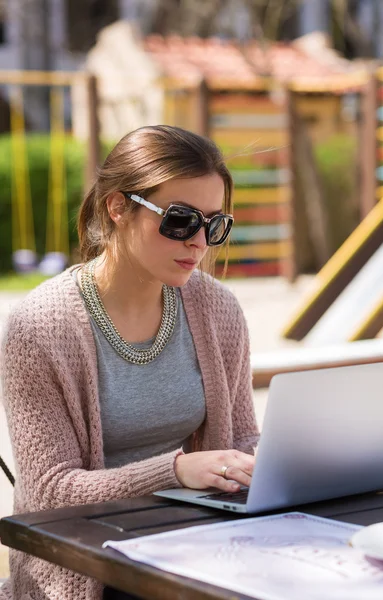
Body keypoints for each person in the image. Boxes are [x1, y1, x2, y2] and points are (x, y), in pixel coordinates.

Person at [0, 125, 259, 600]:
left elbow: (242, 437)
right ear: (118, 207)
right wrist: (176, 471)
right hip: (88, 573)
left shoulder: (217, 309)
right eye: (180, 220)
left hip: (190, 552)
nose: (198, 242)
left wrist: (275, 464)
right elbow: (50, 492)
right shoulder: (39, 328)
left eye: (215, 224)